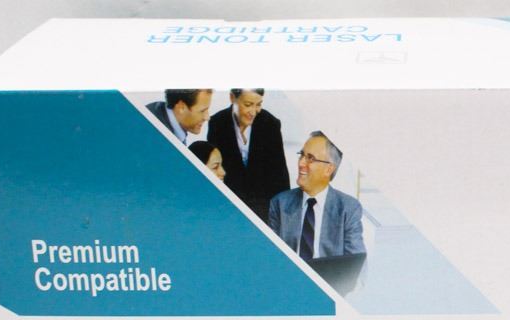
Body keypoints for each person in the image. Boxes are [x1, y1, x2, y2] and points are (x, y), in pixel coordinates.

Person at [269, 131, 365, 261]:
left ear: (328, 169)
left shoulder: (348, 208)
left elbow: (355, 263)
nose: (301, 163)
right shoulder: (280, 203)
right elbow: (271, 257)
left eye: (310, 158)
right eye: (301, 155)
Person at [207, 89, 290, 223]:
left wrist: (284, 217)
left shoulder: (271, 124)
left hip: (263, 207)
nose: (253, 112)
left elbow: (280, 174)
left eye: (258, 104)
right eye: (248, 104)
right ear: (232, 98)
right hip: (229, 207)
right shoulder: (217, 123)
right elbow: (213, 171)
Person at [145, 89, 213, 144]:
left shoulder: (160, 112)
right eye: (202, 111)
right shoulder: (154, 136)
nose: (207, 117)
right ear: (181, 107)